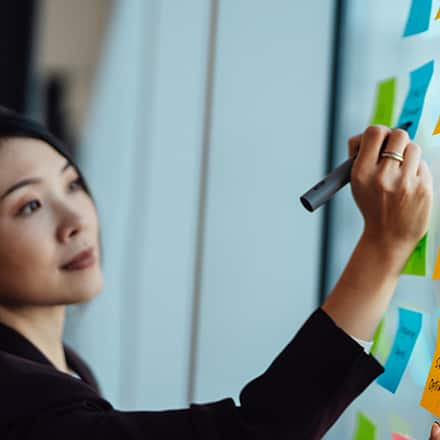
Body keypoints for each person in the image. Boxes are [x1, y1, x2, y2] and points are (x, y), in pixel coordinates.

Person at [0, 105, 434, 439]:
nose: (74, 218)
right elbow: (257, 433)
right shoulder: (19, 399)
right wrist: (384, 246)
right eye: (29, 206)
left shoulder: (65, 368)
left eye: (72, 183)